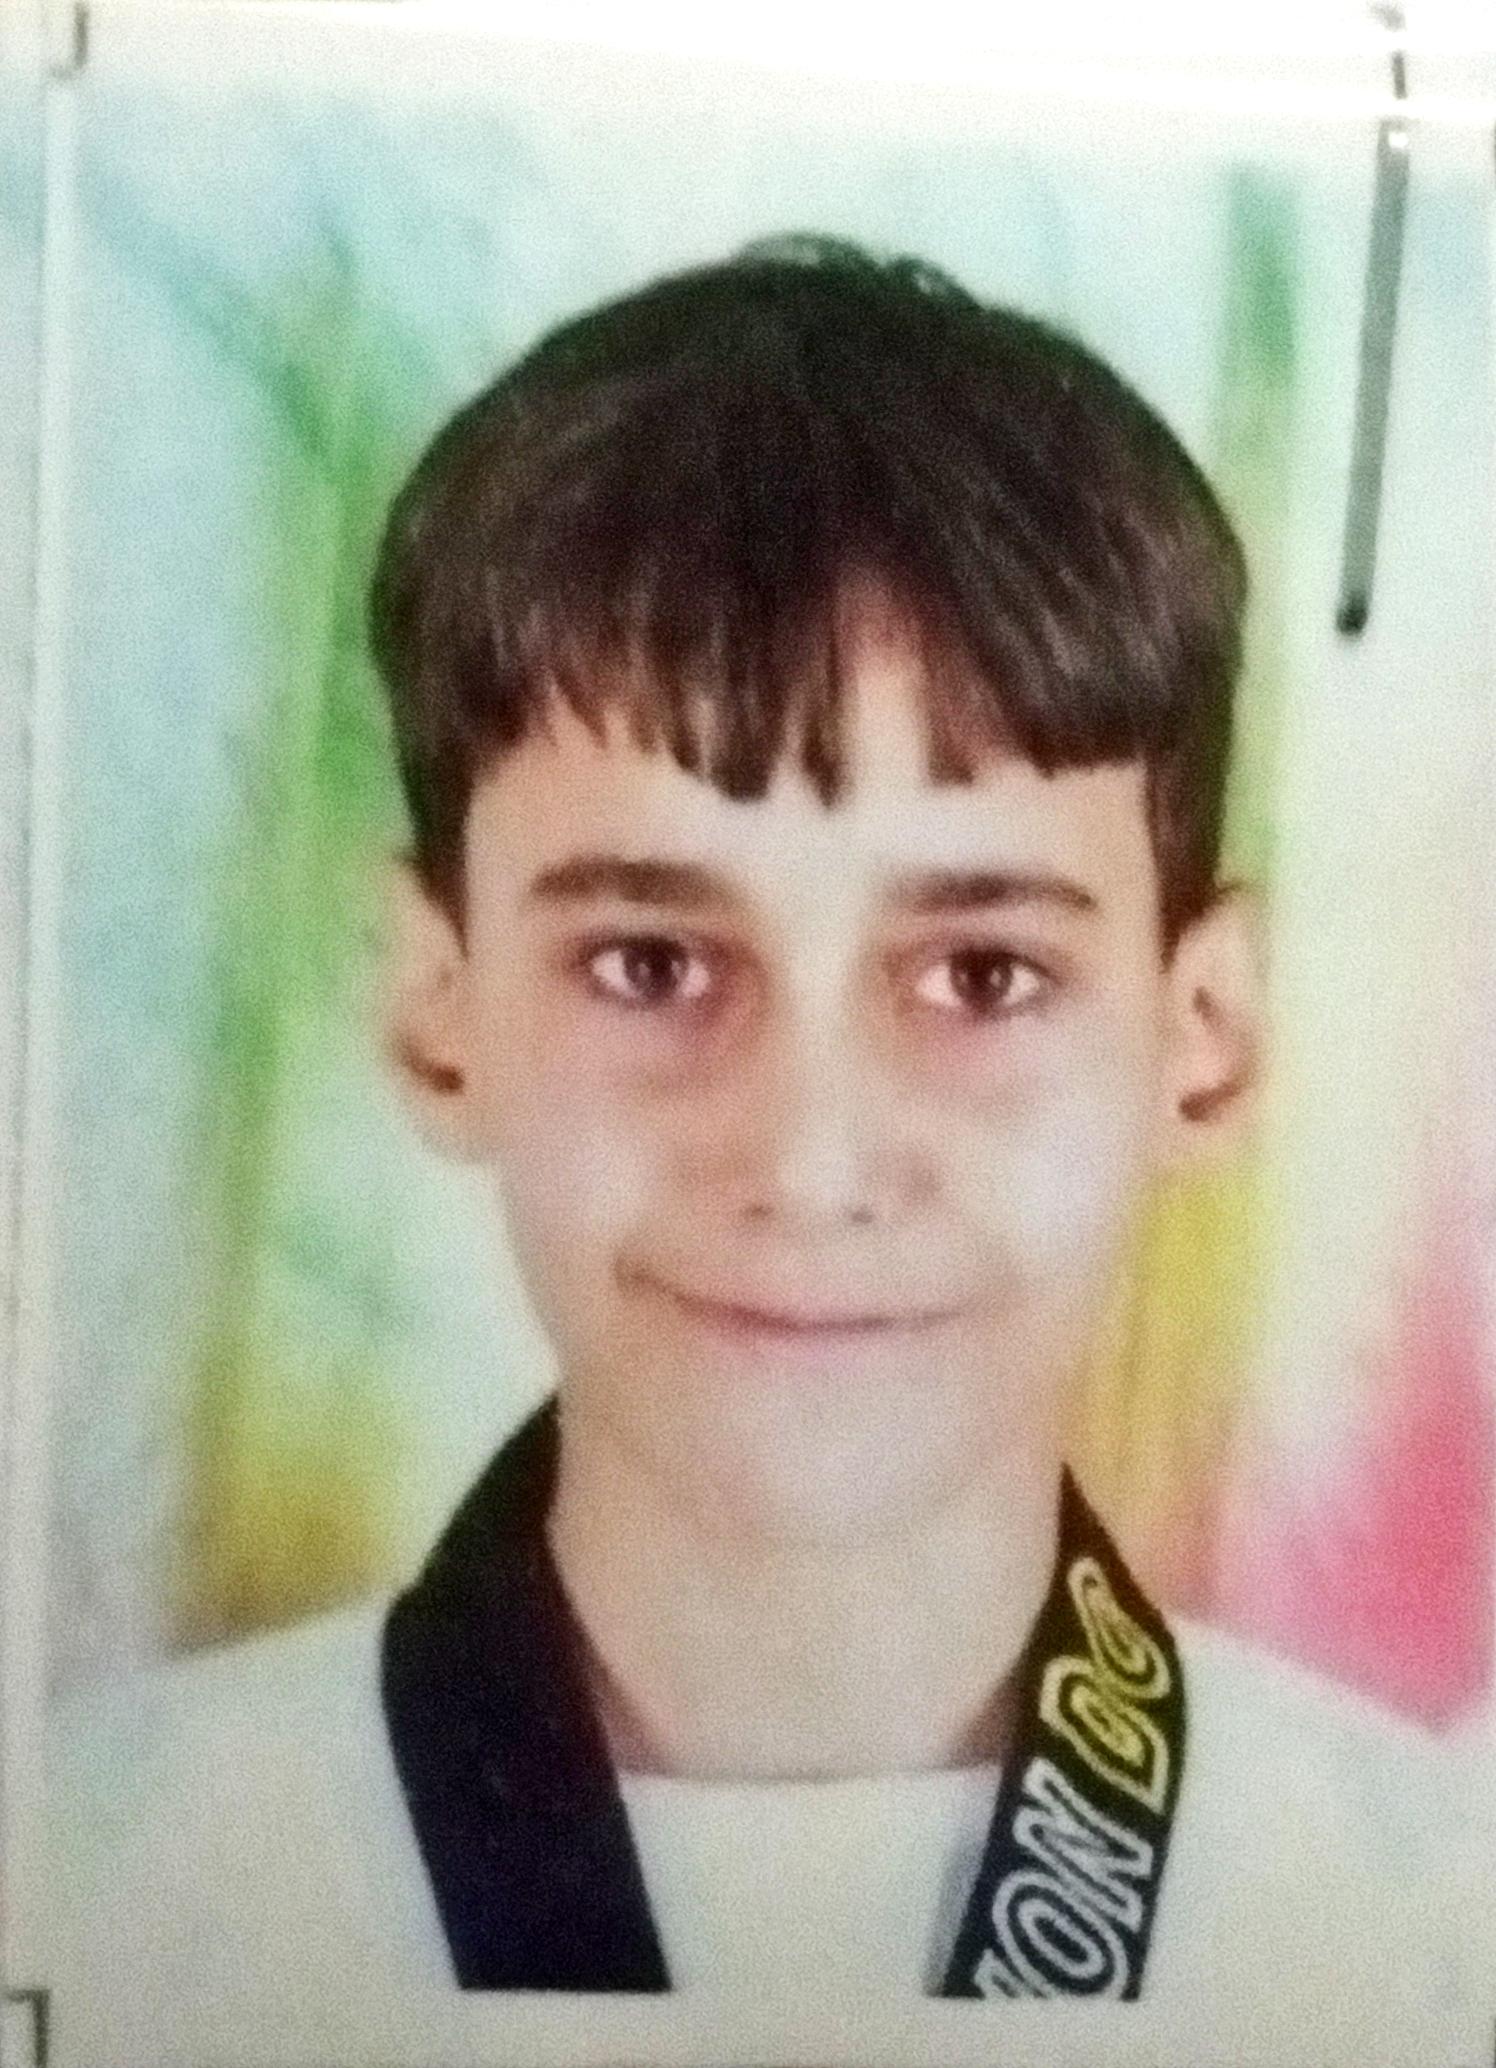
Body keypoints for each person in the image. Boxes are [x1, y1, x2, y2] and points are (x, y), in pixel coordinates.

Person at [44, 237, 1489, 2066]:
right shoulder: (83, 1888)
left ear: (1201, 1045)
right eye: (651, 963)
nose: (809, 1162)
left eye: (982, 974)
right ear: (436, 1013)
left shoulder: (1435, 1943)